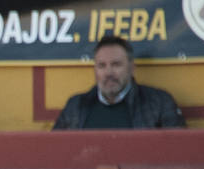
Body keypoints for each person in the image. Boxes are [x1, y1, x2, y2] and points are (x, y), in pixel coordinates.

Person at [52, 34, 185, 130]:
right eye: (102, 66)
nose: (109, 73)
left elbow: (179, 151)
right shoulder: (75, 106)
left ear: (132, 68)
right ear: (95, 70)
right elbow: (55, 153)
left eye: (116, 64)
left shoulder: (159, 103)